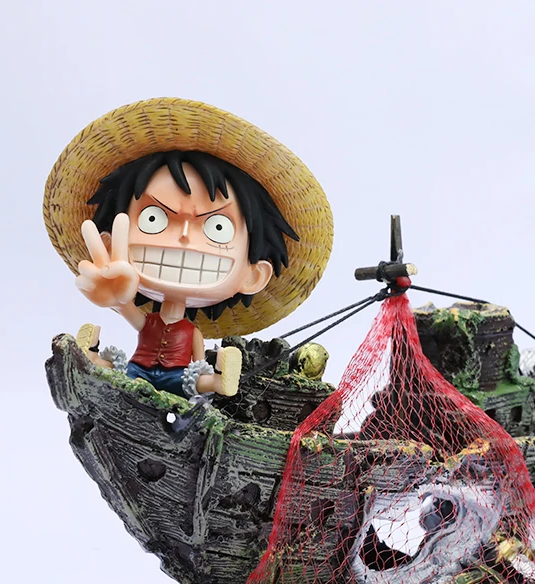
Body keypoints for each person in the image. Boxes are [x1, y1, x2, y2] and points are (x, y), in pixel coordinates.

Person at [44, 98, 334, 399]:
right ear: (109, 244)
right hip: (139, 370)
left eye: (217, 227)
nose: (183, 236)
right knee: (120, 372)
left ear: (253, 275)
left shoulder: (191, 333)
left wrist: (209, 376)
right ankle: (91, 357)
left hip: (177, 378)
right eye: (153, 218)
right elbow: (132, 316)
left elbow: (196, 364)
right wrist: (119, 301)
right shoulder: (148, 322)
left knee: (195, 380)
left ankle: (220, 381)